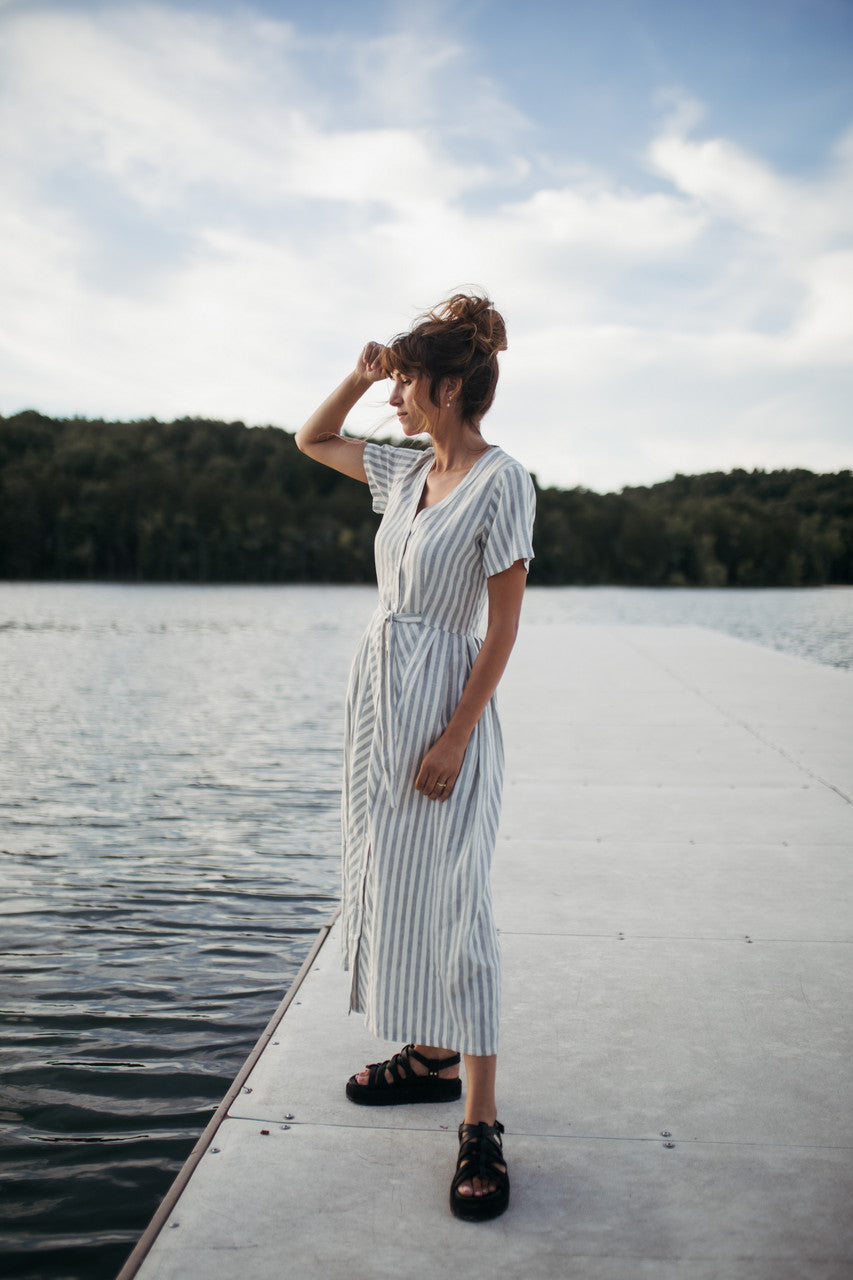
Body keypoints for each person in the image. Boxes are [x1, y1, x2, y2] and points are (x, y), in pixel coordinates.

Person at [295, 291, 535, 1222]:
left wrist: (457, 734)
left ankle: (480, 1124)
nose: (393, 399)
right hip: (379, 707)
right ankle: (431, 1057)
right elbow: (313, 440)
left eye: (401, 385)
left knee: (459, 902)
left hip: (443, 705)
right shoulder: (402, 473)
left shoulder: (500, 479)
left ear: (444, 386)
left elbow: (504, 627)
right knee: (394, 884)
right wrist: (355, 377)